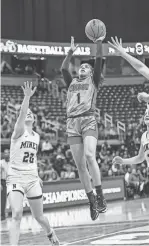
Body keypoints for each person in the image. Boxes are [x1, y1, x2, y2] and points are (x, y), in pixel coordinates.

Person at [7, 81, 59, 246]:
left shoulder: (36, 136)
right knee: (16, 213)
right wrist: (27, 98)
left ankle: (51, 234)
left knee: (39, 217)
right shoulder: (18, 131)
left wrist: (37, 176)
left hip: (32, 178)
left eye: (31, 113)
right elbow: (22, 112)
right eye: (26, 113)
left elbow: (34, 158)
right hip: (15, 176)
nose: (28, 114)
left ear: (35, 119)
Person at [61, 36, 107, 221]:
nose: (83, 67)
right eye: (81, 66)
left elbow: (98, 60)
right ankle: (92, 201)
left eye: (86, 67)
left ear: (91, 72)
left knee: (89, 156)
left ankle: (100, 195)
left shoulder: (94, 80)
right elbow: (64, 68)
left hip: (88, 119)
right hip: (72, 123)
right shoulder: (71, 82)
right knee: (80, 165)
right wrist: (70, 53)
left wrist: (98, 43)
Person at [112, 104, 149, 196]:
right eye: (146, 113)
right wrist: (123, 161)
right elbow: (140, 158)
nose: (147, 114)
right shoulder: (144, 136)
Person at [0, 149, 10, 220]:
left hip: (10, 182)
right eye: (5, 153)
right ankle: (2, 215)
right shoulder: (1, 163)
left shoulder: (12, 163)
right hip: (3, 182)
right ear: (3, 154)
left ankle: (14, 214)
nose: (7, 154)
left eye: (8, 153)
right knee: (3, 200)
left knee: (13, 199)